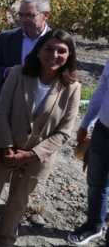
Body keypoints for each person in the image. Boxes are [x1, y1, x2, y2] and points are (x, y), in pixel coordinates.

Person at [0, 29, 80, 247]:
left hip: (37, 155)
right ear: (38, 51)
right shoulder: (18, 74)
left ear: (69, 56)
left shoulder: (72, 88)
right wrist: (7, 146)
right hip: (4, 145)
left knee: (19, 199)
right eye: (49, 49)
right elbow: (0, 111)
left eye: (62, 51)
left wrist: (31, 153)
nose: (54, 55)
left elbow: (64, 132)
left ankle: (6, 237)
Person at [0, 0, 51, 118]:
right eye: (21, 15)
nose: (23, 19)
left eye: (30, 15)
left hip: (41, 106)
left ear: (46, 16)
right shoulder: (7, 38)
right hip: (8, 106)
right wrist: (7, 72)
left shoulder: (57, 41)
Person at [67, 59, 109, 246]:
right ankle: (94, 225)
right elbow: (101, 90)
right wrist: (86, 123)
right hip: (104, 129)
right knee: (96, 181)